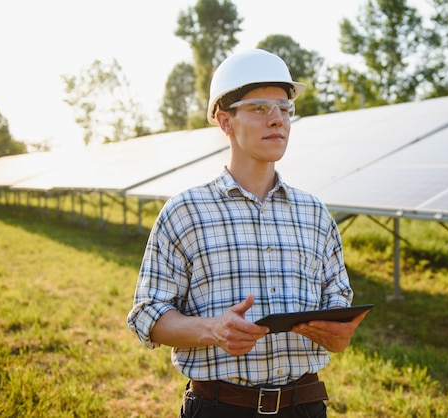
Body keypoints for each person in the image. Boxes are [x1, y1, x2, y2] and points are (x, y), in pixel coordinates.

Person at [127, 48, 368, 418]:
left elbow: (338, 301)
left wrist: (338, 332)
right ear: (225, 121)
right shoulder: (185, 212)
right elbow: (148, 316)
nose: (278, 120)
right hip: (220, 407)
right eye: (259, 108)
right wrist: (213, 330)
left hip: (304, 406)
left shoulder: (315, 214)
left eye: (285, 109)